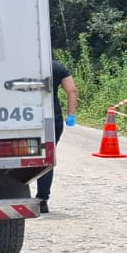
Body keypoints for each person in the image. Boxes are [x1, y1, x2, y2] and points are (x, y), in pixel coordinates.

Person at [36, 58, 77, 212]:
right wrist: (71, 115)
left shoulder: (22, 63)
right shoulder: (56, 67)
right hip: (52, 118)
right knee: (47, 158)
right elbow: (72, 90)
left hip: (24, 117)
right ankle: (42, 199)